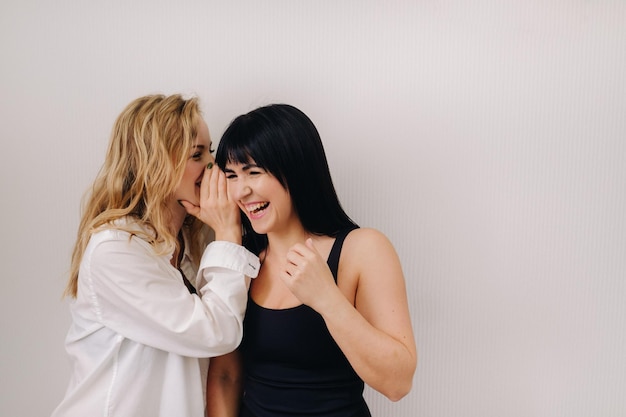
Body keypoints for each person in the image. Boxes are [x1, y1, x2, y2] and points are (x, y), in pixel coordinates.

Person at [51, 94, 260, 417]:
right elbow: (217, 332)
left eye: (210, 151)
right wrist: (229, 235)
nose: (211, 166)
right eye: (196, 154)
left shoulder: (194, 241)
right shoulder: (116, 249)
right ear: (155, 163)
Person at [205, 104, 417, 416]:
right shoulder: (242, 259)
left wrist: (326, 298)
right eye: (232, 175)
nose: (242, 190)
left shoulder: (362, 250)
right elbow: (225, 375)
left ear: (296, 168)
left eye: (253, 172)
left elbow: (397, 383)